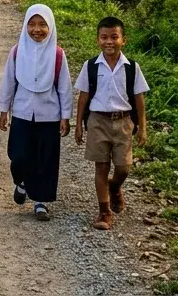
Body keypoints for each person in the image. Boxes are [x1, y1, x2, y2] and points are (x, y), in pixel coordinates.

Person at [74, 16, 149, 231]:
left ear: (123, 40)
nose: (109, 42)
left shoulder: (131, 67)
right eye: (104, 37)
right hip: (97, 120)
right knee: (101, 166)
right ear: (98, 40)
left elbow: (139, 99)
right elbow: (83, 96)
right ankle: (104, 211)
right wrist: (78, 124)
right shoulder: (90, 66)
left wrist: (142, 127)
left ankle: (115, 187)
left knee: (124, 167)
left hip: (123, 122)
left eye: (114, 37)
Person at [0, 4, 72, 222]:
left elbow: (64, 87)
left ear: (50, 27)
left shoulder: (58, 54)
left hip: (48, 115)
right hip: (21, 112)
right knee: (18, 155)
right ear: (25, 26)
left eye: (42, 25)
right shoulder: (17, 51)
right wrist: (4, 110)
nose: (36, 30)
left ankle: (40, 202)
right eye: (32, 24)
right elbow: (8, 82)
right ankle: (21, 181)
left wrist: (65, 116)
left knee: (45, 159)